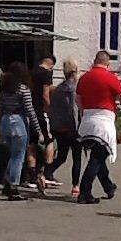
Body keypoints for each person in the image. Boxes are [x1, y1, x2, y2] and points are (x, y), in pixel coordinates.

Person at [75, 50, 121, 205]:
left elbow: (78, 100)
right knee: (98, 157)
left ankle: (109, 187)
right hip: (103, 122)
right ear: (107, 63)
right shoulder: (110, 77)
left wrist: (84, 111)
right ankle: (85, 192)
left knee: (98, 155)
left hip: (87, 121)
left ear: (95, 61)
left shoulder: (84, 78)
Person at [0, 61, 45, 201]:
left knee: (12, 154)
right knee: (18, 156)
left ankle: (7, 182)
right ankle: (13, 186)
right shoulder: (23, 89)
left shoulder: (5, 89)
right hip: (18, 121)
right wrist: (39, 130)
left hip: (5, 121)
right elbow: (30, 111)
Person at [46, 58, 82, 197]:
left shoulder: (59, 88)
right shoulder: (73, 89)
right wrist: (77, 129)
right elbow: (73, 110)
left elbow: (53, 109)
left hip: (59, 128)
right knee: (77, 158)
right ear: (75, 72)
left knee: (62, 156)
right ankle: (75, 185)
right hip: (71, 128)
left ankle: (47, 172)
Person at [27, 55, 56, 190]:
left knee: (32, 142)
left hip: (29, 111)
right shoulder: (46, 74)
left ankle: (32, 174)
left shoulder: (31, 72)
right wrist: (49, 109)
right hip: (40, 111)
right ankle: (46, 173)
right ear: (51, 64)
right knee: (49, 140)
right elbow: (45, 95)